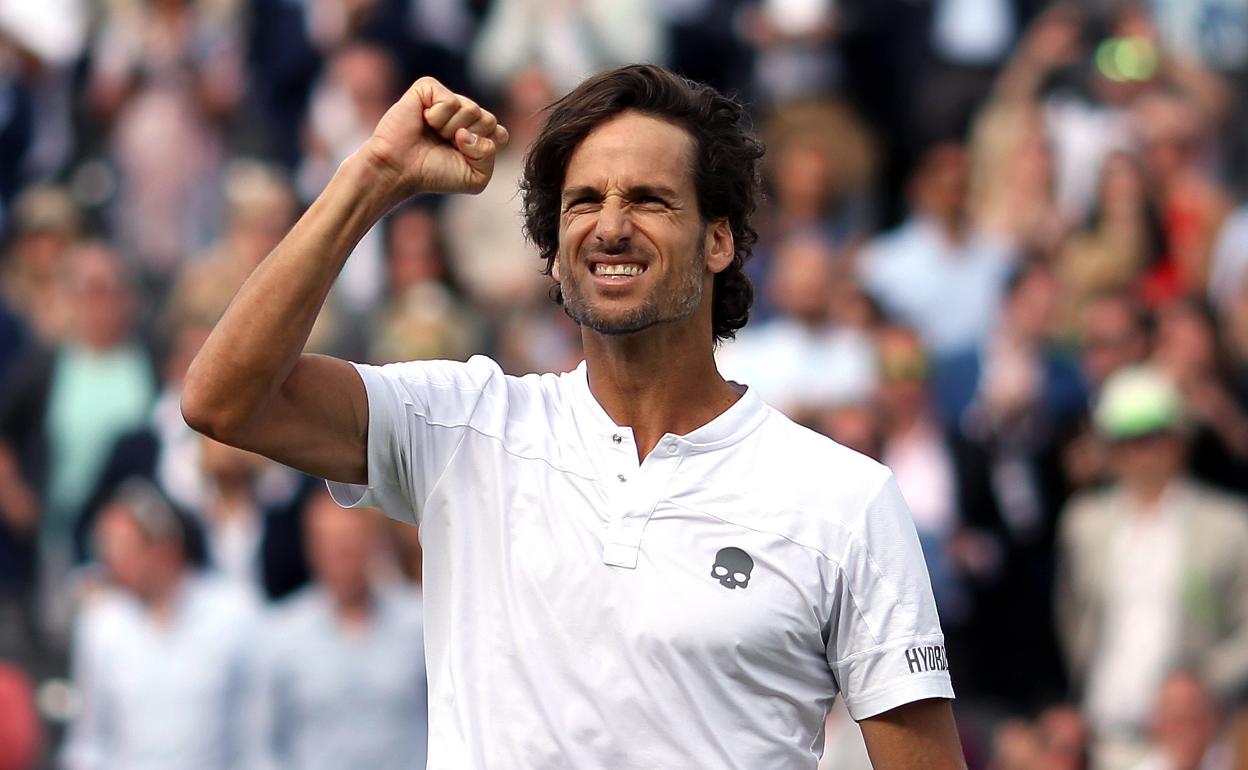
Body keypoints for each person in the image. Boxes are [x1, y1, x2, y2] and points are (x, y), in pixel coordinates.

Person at [182, 64, 963, 768]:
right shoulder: (463, 427)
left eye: (650, 199)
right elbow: (224, 400)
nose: (611, 224)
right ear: (554, 252)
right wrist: (374, 175)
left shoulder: (844, 499)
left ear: (719, 239)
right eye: (584, 201)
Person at [1055, 366, 1248, 770]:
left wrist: (1199, 687)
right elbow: (1071, 618)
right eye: (1128, 439)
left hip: (1192, 743)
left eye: (1154, 435)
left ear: (1179, 438)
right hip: (1101, 737)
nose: (1143, 451)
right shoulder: (1084, 523)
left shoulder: (1228, 526)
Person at [61, 479, 258, 770]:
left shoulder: (234, 613)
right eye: (107, 548)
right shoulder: (100, 623)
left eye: (124, 548)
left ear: (165, 549)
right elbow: (88, 740)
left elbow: (254, 735)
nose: (111, 561)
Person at [244, 490, 427, 770]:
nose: (343, 558)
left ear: (372, 543)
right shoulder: (281, 636)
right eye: (332, 546)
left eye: (351, 544)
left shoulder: (419, 623)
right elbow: (261, 742)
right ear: (311, 548)